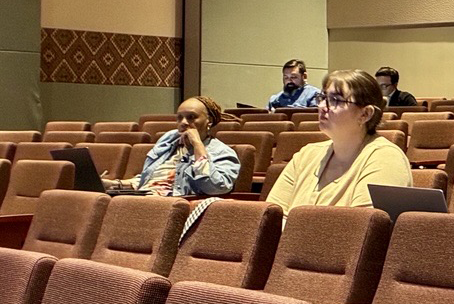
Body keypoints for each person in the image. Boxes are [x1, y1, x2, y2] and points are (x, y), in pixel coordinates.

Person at [266, 69, 413, 222]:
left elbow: (362, 229)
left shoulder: (386, 158)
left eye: (335, 100)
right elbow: (273, 217)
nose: (323, 106)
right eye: (322, 97)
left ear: (365, 114)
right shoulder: (306, 154)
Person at [104, 96, 241, 196]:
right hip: (144, 196)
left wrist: (198, 145)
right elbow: (153, 176)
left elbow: (215, 188)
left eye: (191, 117)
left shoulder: (223, 152)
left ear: (209, 121)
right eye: (179, 117)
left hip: (172, 203)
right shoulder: (169, 141)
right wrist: (117, 184)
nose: (183, 122)